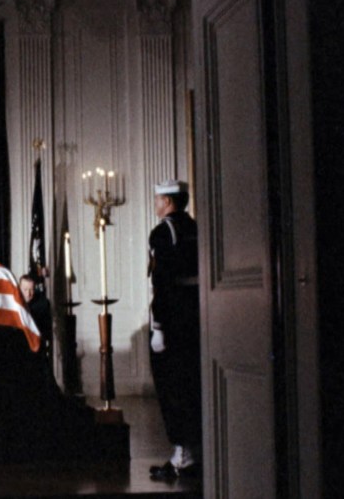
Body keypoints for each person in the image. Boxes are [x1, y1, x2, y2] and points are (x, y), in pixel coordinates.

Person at [147, 180, 202, 481]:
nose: (156, 204)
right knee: (192, 385)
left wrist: (158, 326)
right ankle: (192, 451)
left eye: (158, 199)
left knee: (172, 388)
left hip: (172, 321)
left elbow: (161, 282)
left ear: (167, 201)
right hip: (196, 317)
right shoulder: (196, 227)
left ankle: (182, 454)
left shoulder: (162, 232)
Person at [19, 273, 53, 362]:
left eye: (31, 290)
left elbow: (47, 330)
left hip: (37, 348)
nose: (28, 294)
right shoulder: (15, 304)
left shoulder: (43, 304)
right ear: (19, 289)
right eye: (25, 290)